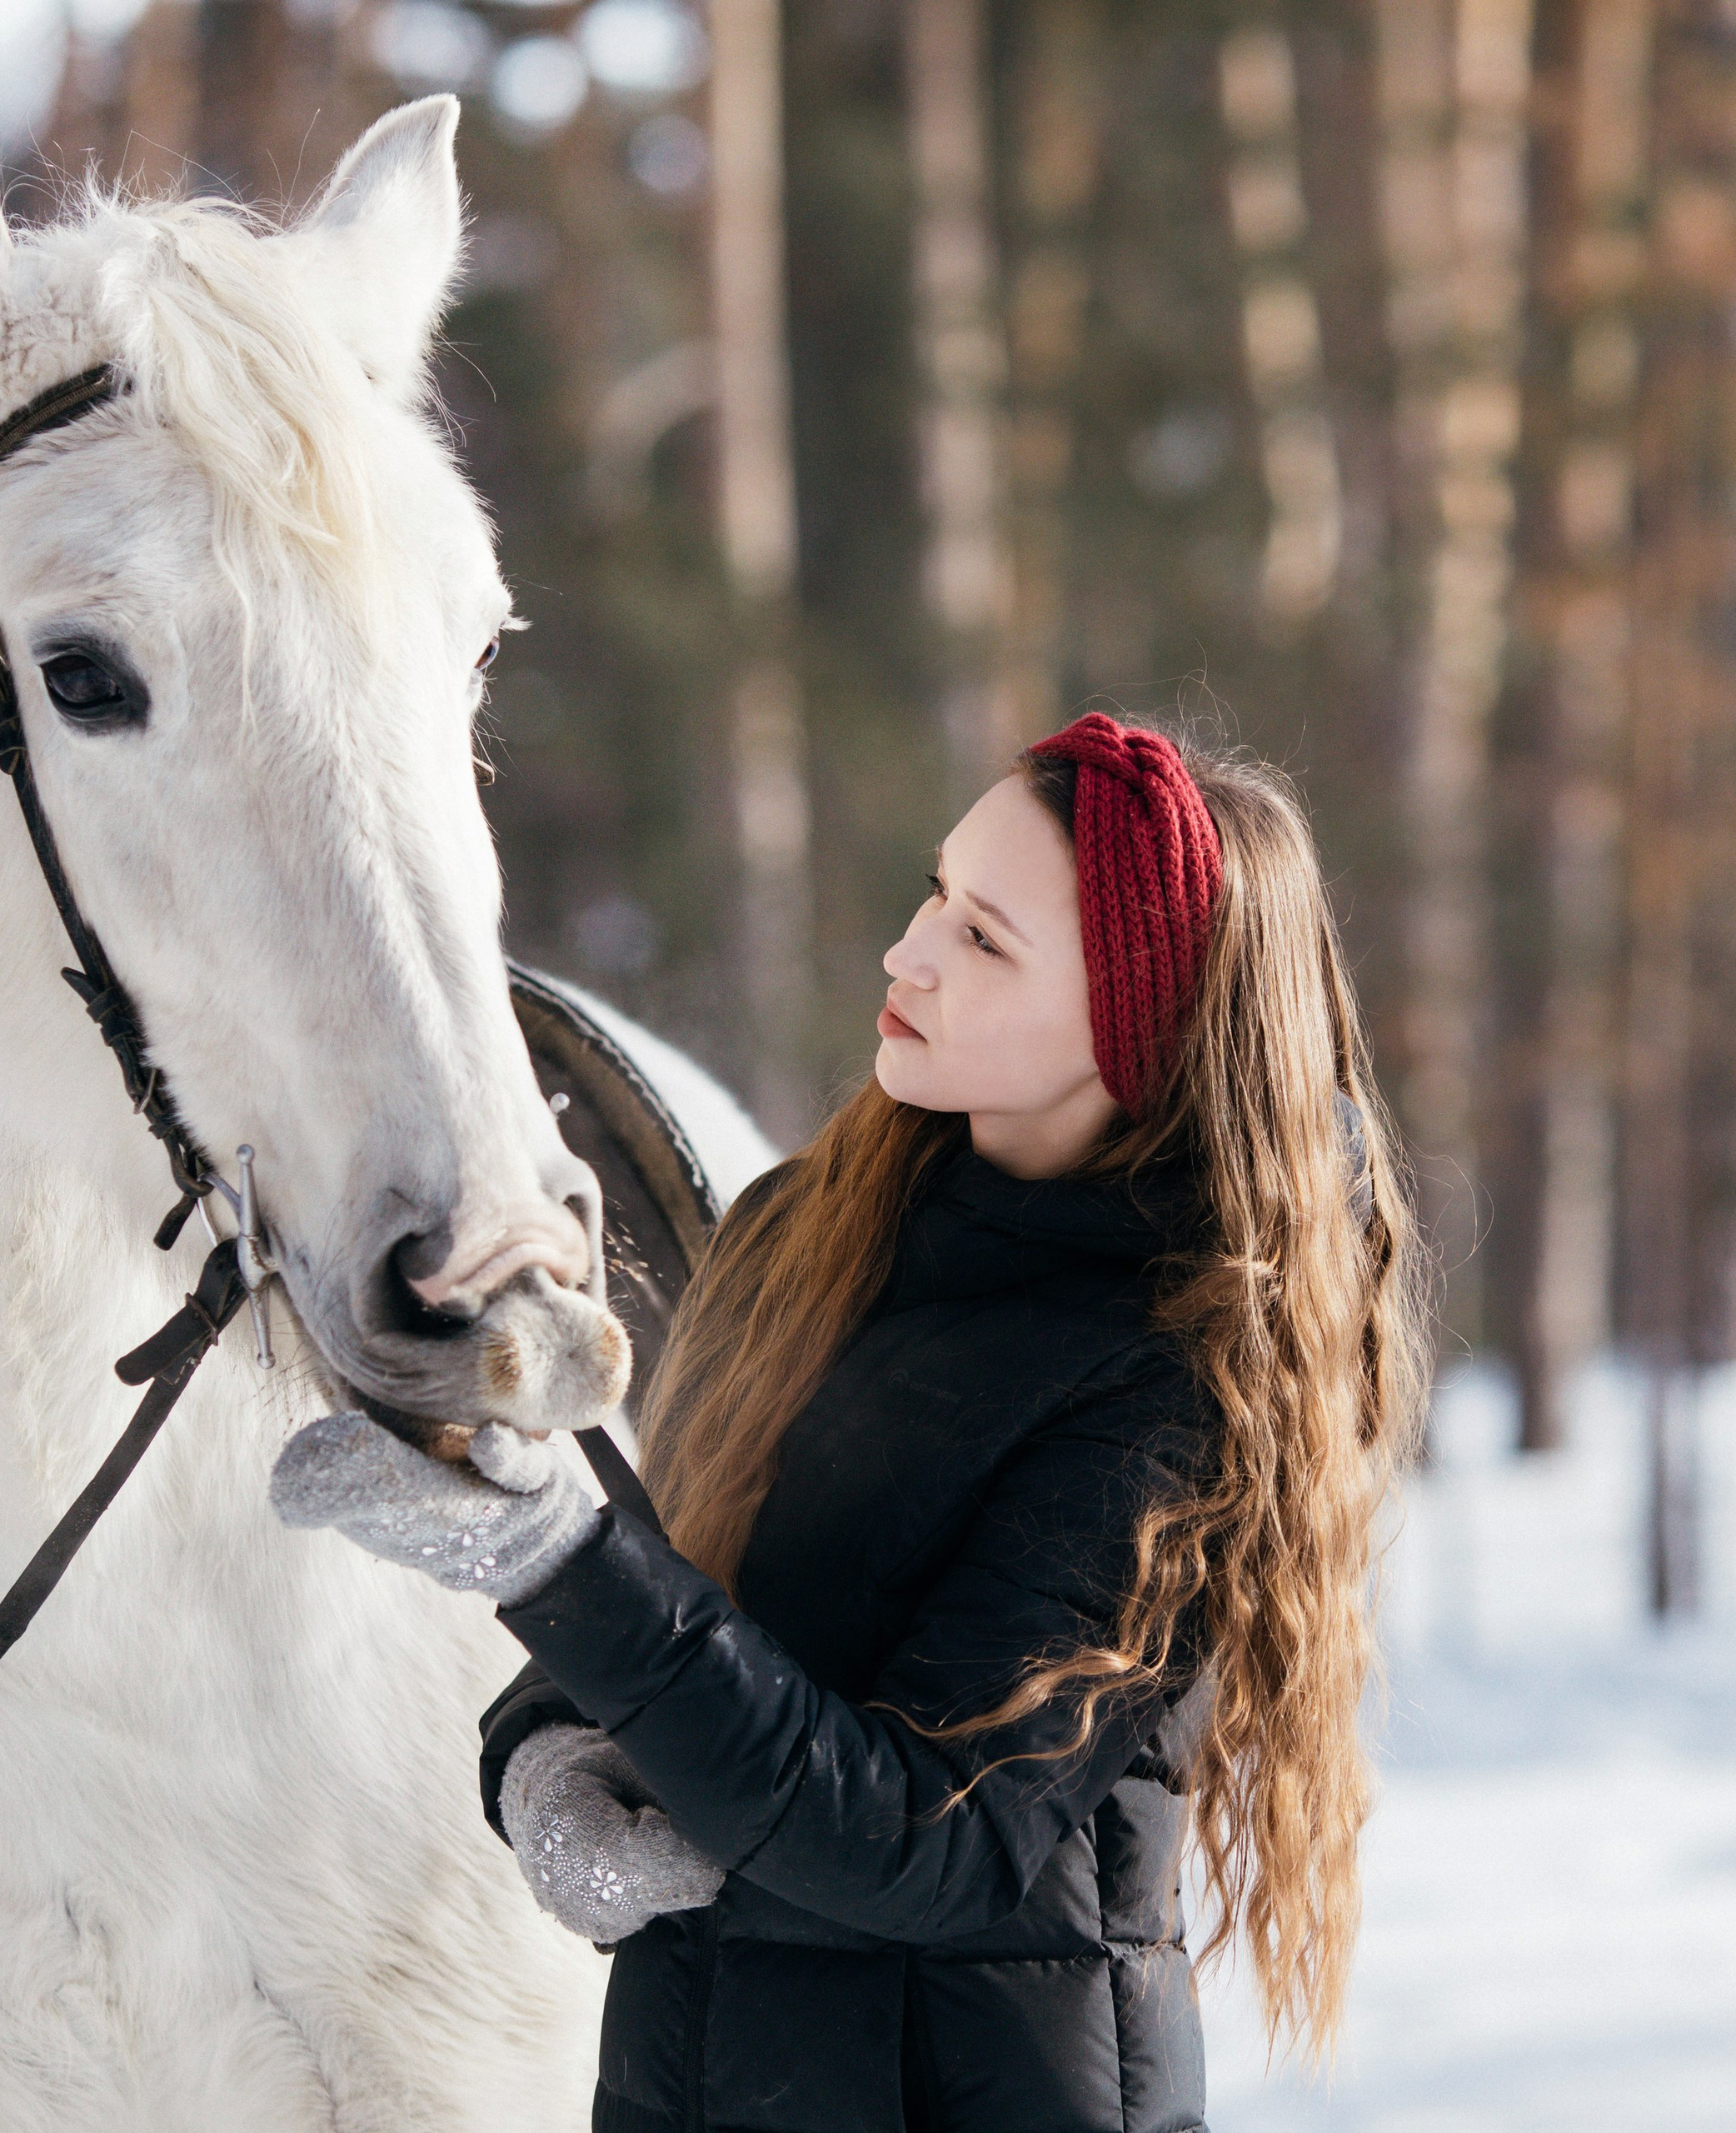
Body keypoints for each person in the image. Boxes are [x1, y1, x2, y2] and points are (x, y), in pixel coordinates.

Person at [272, 712, 1428, 2133]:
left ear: (1140, 1028)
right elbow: (680, 1594)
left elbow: (927, 1834)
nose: (911, 951)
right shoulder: (797, 1235)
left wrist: (552, 1562)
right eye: (936, 892)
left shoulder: (1181, 1373)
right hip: (691, 2074)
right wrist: (546, 1758)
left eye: (987, 939)